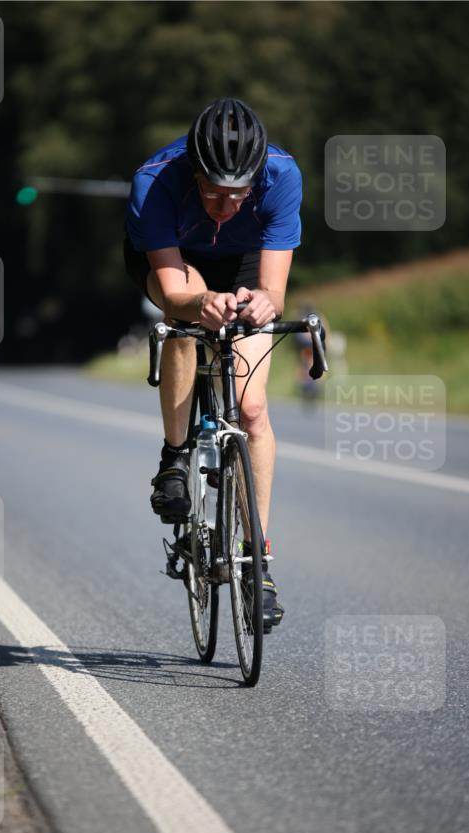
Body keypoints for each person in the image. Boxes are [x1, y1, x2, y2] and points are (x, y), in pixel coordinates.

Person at [124, 97, 302, 629]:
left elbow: (273, 287)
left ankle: (258, 562)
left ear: (256, 179)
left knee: (251, 409)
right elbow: (177, 291)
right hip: (176, 260)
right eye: (212, 194)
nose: (225, 207)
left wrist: (265, 302)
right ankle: (174, 456)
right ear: (194, 174)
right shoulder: (154, 183)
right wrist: (201, 306)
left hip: (245, 260)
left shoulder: (282, 175)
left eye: (237, 196)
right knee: (189, 318)